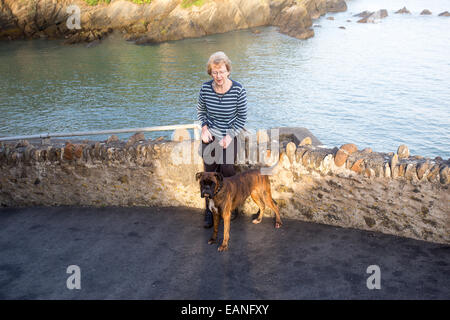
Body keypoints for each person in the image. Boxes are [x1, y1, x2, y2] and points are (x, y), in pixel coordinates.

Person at [197, 51, 247, 228]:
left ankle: (230, 206)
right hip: (210, 133)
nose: (218, 76)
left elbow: (241, 118)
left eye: (222, 71)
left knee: (226, 169)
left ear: (228, 71)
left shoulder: (238, 90)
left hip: (230, 133)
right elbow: (201, 112)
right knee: (208, 173)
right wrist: (203, 128)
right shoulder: (205, 89)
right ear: (210, 73)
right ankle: (209, 210)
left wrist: (229, 136)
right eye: (215, 72)